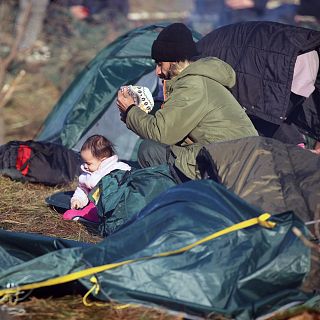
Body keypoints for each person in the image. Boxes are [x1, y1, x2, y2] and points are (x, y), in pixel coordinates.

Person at [116, 23, 258, 180]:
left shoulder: (192, 86)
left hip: (229, 165)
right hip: (231, 159)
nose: (157, 72)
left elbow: (161, 133)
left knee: (149, 150)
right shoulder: (196, 81)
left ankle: (175, 203)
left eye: (160, 64)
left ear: (174, 60)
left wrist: (130, 111)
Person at [196, 21, 320, 151]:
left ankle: (298, 154)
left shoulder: (199, 61)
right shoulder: (212, 43)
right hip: (304, 50)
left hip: (284, 61)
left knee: (266, 116)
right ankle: (303, 153)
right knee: (277, 115)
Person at [63, 134, 131, 222]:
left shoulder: (117, 168)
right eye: (84, 162)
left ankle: (90, 216)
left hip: (117, 202)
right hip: (96, 204)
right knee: (93, 205)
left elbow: (130, 173)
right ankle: (89, 215)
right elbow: (82, 190)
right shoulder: (86, 176)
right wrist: (77, 200)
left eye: (88, 163)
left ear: (103, 160)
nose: (85, 166)